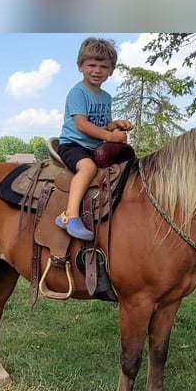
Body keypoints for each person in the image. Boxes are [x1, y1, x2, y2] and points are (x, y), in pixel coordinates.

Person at [55, 37, 133, 240]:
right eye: (91, 65)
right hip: (73, 145)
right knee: (88, 168)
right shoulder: (78, 93)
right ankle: (70, 216)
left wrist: (116, 124)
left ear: (111, 70)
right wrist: (111, 137)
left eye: (103, 66)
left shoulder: (106, 97)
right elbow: (83, 125)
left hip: (94, 147)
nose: (97, 70)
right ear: (80, 66)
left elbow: (103, 123)